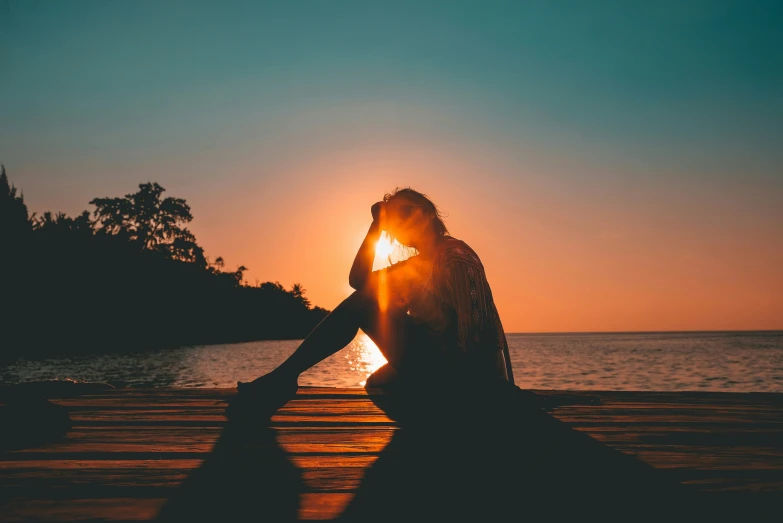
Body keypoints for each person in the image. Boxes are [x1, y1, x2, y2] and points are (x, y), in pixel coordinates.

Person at [232, 187, 515, 417]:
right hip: (442, 369)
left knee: (366, 306)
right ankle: (283, 379)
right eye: (395, 219)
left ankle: (282, 379)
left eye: (407, 212)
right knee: (377, 380)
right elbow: (359, 280)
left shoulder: (455, 257)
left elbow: (478, 339)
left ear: (429, 214)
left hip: (466, 379)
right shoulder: (416, 266)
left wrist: (491, 396)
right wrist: (376, 225)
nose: (401, 221)